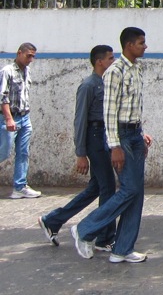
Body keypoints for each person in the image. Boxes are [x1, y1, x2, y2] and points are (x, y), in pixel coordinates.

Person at [72, 27, 153, 264]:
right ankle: (85, 228)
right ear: (129, 45)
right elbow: (109, 112)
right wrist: (115, 146)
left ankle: (122, 249)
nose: (145, 46)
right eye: (141, 43)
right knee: (129, 189)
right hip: (122, 136)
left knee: (137, 192)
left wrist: (141, 134)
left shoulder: (137, 69)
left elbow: (133, 107)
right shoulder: (114, 72)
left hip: (135, 134)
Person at [38, 45, 118, 249]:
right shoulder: (88, 85)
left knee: (96, 188)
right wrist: (80, 153)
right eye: (110, 58)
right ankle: (105, 237)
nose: (113, 61)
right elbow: (80, 120)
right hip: (94, 138)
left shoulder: (106, 83)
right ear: (99, 61)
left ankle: (53, 220)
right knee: (108, 187)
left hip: (104, 136)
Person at [1, 42, 41, 198]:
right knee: (3, 152)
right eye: (28, 56)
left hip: (25, 117)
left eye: (33, 57)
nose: (30, 59)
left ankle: (20, 186)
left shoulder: (27, 71)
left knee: (23, 152)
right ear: (19, 53)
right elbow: (2, 97)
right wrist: (9, 119)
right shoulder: (7, 71)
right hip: (10, 118)